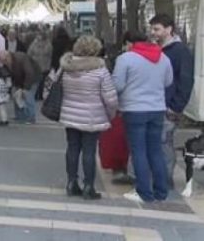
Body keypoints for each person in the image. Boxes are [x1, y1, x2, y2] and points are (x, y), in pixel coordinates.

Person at [113, 31, 173, 203]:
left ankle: (144, 192)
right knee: (155, 150)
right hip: (157, 109)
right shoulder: (163, 57)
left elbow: (117, 84)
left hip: (134, 109)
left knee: (138, 151)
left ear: (130, 43)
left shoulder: (125, 59)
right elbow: (168, 81)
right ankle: (161, 191)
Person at [59, 36, 119, 200]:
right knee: (89, 151)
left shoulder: (67, 67)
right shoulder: (100, 70)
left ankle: (71, 183)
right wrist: (112, 113)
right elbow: (110, 98)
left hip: (70, 114)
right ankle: (88, 186)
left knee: (72, 148)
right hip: (93, 115)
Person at [149, 14, 195, 189]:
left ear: (169, 29)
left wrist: (175, 106)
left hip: (168, 107)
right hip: (155, 104)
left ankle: (164, 181)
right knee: (159, 142)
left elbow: (185, 80)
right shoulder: (158, 49)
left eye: (157, 29)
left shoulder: (179, 51)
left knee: (163, 143)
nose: (153, 33)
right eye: (152, 29)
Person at [0, 50, 41, 124]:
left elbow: (29, 73)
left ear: (8, 56)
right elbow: (8, 73)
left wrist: (25, 88)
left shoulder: (21, 58)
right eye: (2, 61)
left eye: (4, 60)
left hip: (32, 78)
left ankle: (31, 118)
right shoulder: (6, 63)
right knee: (16, 95)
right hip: (19, 80)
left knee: (28, 96)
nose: (4, 62)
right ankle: (20, 116)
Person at [27, 31, 52, 100]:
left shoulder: (48, 44)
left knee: (42, 81)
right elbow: (29, 53)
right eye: (38, 35)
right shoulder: (34, 43)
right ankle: (36, 95)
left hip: (44, 65)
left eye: (40, 35)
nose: (39, 37)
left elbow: (49, 54)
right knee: (36, 81)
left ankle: (40, 95)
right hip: (36, 65)